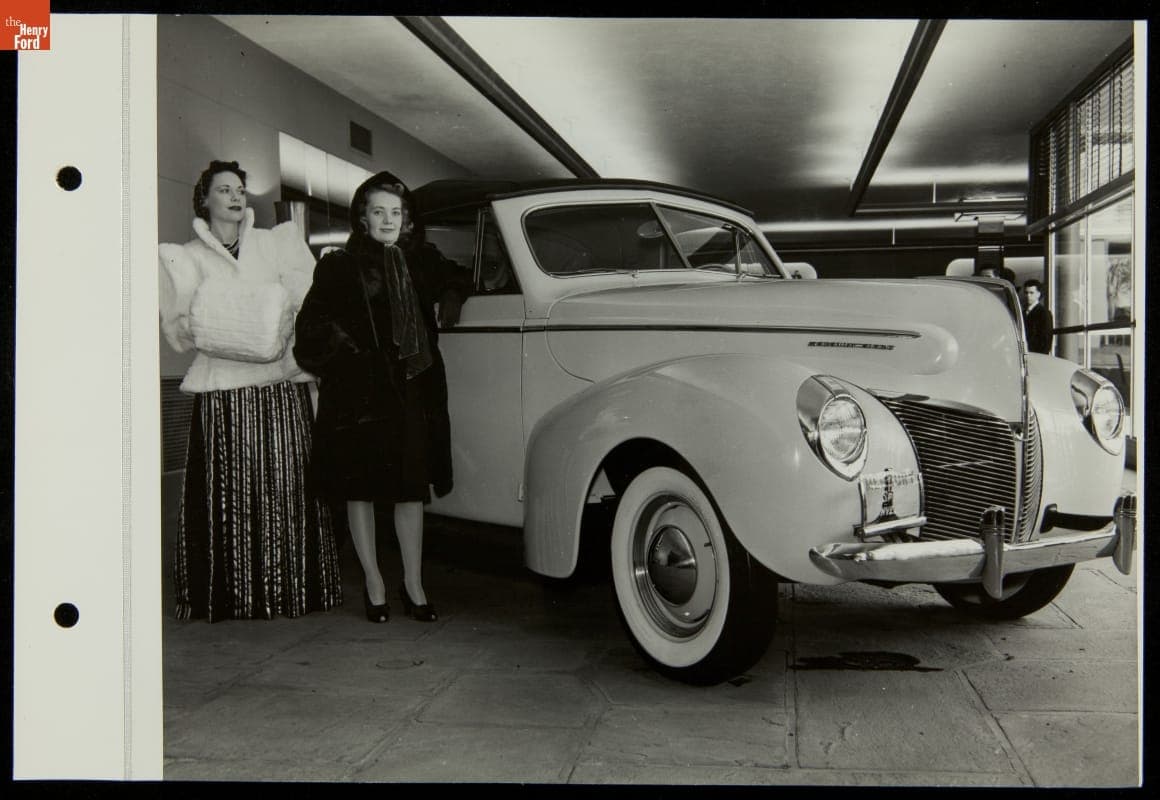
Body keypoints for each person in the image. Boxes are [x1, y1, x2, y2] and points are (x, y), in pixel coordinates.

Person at [159, 160, 342, 621]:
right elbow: (180, 332)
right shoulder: (185, 257)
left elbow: (306, 308)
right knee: (228, 493)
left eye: (240, 189)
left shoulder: (275, 244)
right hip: (223, 392)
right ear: (204, 199)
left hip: (279, 385)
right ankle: (233, 595)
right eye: (225, 190)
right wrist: (232, 325)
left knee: (288, 487)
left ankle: (291, 591)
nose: (237, 197)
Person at [293, 172, 469, 623]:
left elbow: (464, 276)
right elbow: (310, 330)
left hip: (411, 390)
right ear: (362, 218)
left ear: (406, 219)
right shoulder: (339, 266)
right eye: (378, 212)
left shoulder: (424, 260)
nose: (388, 220)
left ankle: (413, 583)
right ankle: (373, 582)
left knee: (411, 491)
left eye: (396, 212)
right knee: (361, 491)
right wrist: (352, 357)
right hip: (359, 398)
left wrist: (451, 293)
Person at [1022, 278, 1054, 354]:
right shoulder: (1022, 313)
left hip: (1037, 356)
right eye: (1026, 293)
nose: (1028, 296)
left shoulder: (1044, 313)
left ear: (1038, 294)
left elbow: (1046, 340)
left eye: (1031, 293)